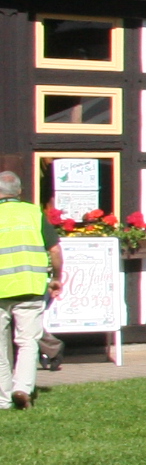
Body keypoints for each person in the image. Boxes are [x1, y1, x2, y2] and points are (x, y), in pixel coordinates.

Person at [0, 171, 62, 411]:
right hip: (30, 287)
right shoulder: (33, 212)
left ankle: (3, 399)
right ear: (19, 192)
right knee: (28, 342)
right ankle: (23, 388)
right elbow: (55, 250)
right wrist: (56, 278)